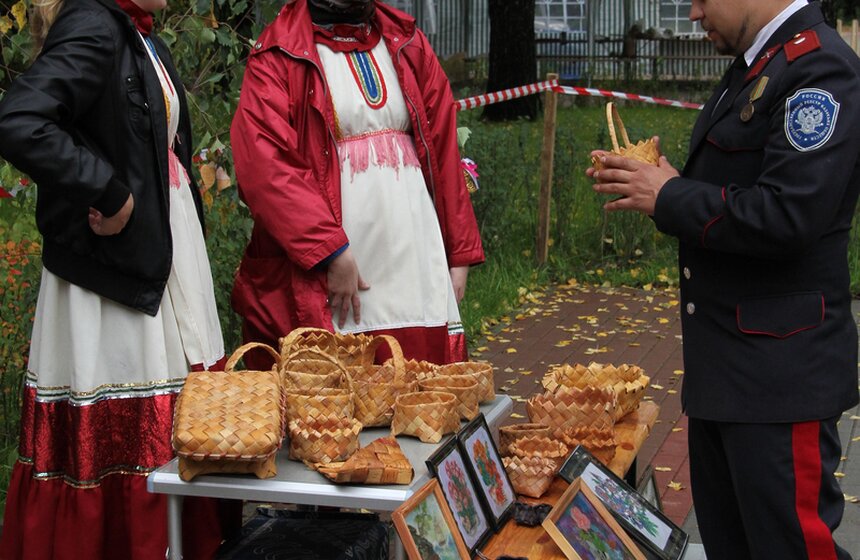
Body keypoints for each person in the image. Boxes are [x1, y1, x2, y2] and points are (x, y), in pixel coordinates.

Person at [588, 0, 859, 558]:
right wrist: (665, 184)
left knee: (788, 547)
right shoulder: (756, 67)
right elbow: (738, 189)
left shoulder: (818, 69)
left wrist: (670, 195)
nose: (691, 13)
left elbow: (789, 214)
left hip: (778, 380)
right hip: (729, 377)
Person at [0, 0, 233, 557]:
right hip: (113, 285)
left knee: (183, 423)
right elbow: (20, 120)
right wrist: (107, 191)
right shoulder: (96, 25)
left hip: (158, 262)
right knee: (132, 435)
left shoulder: (139, 33)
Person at [230, 0, 484, 369]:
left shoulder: (406, 41)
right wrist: (330, 251)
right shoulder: (278, 54)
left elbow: (442, 145)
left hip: (414, 253)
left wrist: (458, 249)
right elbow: (266, 165)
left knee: (423, 394)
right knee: (339, 397)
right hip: (339, 260)